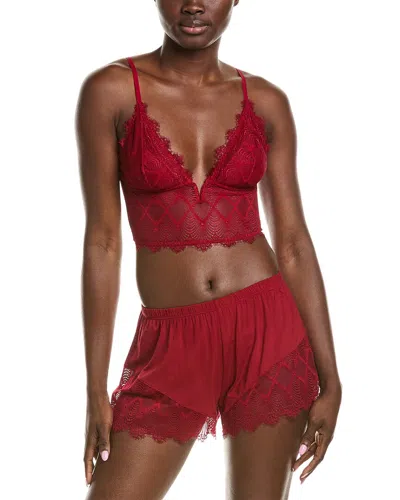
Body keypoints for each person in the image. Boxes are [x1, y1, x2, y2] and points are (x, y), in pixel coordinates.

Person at [75, 1, 342, 498]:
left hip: (267, 332)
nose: (194, 3)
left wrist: (331, 379)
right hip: (170, 346)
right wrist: (95, 389)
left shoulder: (266, 101)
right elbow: (103, 242)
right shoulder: (111, 91)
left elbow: (293, 244)